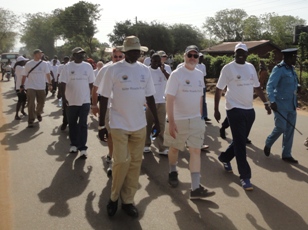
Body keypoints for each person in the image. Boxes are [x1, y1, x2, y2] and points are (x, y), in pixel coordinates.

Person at [97, 36, 160, 218]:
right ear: (124, 52)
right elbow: (103, 97)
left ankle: (128, 200)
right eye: (131, 51)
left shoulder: (144, 71)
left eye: (137, 51)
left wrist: (156, 120)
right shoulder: (113, 70)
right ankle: (113, 197)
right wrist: (102, 124)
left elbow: (150, 96)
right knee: (121, 162)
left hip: (139, 124)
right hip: (119, 124)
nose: (135, 54)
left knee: (135, 163)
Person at [214, 43, 271, 191]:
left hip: (249, 110)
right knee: (240, 144)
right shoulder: (228, 68)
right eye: (237, 52)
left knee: (239, 140)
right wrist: (216, 109)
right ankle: (245, 177)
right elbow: (219, 88)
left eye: (243, 52)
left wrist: (265, 103)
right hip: (234, 109)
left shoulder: (250, 67)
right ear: (234, 53)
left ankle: (225, 158)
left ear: (247, 54)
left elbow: (257, 87)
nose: (240, 54)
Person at [164, 45, 215, 199]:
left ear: (198, 58)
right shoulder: (176, 74)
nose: (192, 58)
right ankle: (173, 170)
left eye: (195, 55)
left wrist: (200, 116)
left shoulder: (199, 74)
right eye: (190, 55)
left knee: (196, 151)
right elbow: (170, 98)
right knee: (174, 149)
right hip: (178, 120)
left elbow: (200, 96)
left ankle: (195, 188)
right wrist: (171, 122)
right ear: (184, 56)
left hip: (195, 120)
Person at [91, 48, 124, 177]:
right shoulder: (105, 69)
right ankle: (111, 157)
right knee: (111, 134)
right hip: (109, 107)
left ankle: (123, 161)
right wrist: (94, 104)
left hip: (125, 108)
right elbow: (95, 88)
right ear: (111, 57)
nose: (117, 59)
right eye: (115, 56)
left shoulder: (130, 68)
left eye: (120, 56)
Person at [264, 48, 299, 163]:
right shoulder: (279, 69)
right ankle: (268, 142)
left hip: (292, 104)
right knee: (281, 127)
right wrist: (272, 101)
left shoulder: (292, 69)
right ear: (288, 57)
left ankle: (286, 154)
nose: (296, 59)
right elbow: (270, 86)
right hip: (280, 104)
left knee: (290, 130)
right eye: (294, 57)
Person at [60, 47, 94, 158]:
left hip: (85, 100)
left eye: (83, 54)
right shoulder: (67, 67)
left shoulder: (88, 66)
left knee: (83, 124)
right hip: (71, 100)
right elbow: (62, 83)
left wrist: (93, 99)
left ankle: (83, 147)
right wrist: (64, 98)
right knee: (72, 124)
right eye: (79, 54)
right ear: (73, 55)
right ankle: (74, 144)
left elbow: (91, 83)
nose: (81, 56)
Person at [144, 53, 169, 155]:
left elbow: (171, 80)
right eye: (154, 61)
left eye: (158, 61)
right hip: (149, 102)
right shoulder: (146, 71)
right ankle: (146, 144)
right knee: (148, 124)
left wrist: (163, 71)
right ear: (151, 61)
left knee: (161, 125)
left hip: (161, 101)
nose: (156, 63)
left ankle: (162, 148)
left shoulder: (163, 70)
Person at [20, 49, 52, 128]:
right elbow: (24, 75)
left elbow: (48, 74)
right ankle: (31, 120)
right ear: (35, 54)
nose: (41, 55)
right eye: (39, 54)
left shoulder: (44, 64)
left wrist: (50, 84)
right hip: (31, 86)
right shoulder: (29, 64)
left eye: (41, 54)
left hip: (41, 86)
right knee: (31, 103)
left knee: (41, 102)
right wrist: (22, 85)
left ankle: (38, 113)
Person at [14, 56, 29, 120]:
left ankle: (22, 110)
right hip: (20, 86)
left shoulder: (21, 67)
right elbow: (26, 71)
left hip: (24, 86)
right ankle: (16, 114)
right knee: (20, 100)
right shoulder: (18, 67)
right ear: (21, 62)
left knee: (24, 100)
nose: (25, 62)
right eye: (24, 61)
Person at [57, 56, 70, 130]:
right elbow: (60, 79)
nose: (66, 61)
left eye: (67, 60)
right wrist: (60, 92)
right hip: (65, 91)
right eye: (65, 59)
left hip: (74, 94)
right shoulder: (63, 67)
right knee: (65, 109)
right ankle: (65, 123)